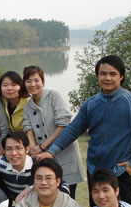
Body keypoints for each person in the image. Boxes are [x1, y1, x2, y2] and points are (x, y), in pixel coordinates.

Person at [38, 55, 131, 207]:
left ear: (122, 76)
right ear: (97, 76)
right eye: (103, 73)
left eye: (113, 74)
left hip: (120, 171)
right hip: (94, 171)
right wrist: (52, 151)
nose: (107, 78)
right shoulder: (91, 104)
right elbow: (73, 129)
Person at [22, 66, 85, 198]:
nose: (33, 84)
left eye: (36, 80)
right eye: (28, 81)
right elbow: (28, 127)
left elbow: (63, 124)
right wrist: (33, 147)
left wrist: (43, 146)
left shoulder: (53, 96)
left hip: (64, 153)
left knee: (67, 197)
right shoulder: (28, 105)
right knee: (47, 197)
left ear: (42, 81)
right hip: (44, 157)